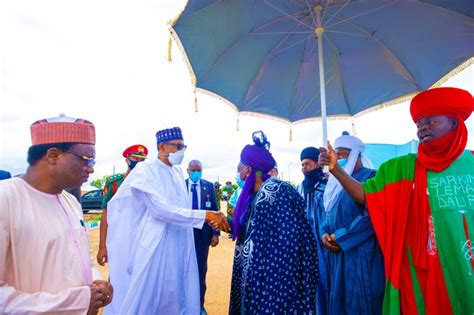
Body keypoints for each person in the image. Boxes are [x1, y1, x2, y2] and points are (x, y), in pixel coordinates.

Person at [319, 87, 474, 314]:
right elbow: (367, 196)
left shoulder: (470, 164)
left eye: (432, 121)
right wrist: (336, 171)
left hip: (464, 266)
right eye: (420, 123)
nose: (423, 127)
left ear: (454, 124)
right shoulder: (400, 168)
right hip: (419, 274)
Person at [105, 127, 230, 314]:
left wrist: (207, 219)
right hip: (155, 244)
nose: (182, 151)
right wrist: (204, 215)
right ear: (162, 147)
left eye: (184, 147)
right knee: (151, 296)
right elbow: (160, 210)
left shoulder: (177, 173)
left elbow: (183, 209)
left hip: (179, 242)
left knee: (176, 293)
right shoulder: (146, 170)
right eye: (178, 146)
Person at [0, 114, 113, 314]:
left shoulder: (70, 201)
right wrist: (77, 301)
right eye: (87, 159)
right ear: (53, 156)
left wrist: (96, 283)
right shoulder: (6, 199)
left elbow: (79, 257)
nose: (91, 168)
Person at [229, 131, 318, 314]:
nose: (239, 172)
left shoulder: (275, 191)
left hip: (275, 281)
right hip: (259, 278)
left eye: (240, 167)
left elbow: (289, 240)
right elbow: (253, 232)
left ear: (247, 170)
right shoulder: (256, 195)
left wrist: (272, 280)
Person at [319, 133, 385, 314]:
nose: (337, 159)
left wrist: (340, 237)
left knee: (360, 301)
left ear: (355, 154)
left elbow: (370, 216)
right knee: (338, 300)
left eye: (341, 155)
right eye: (335, 155)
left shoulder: (372, 178)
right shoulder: (333, 183)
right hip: (335, 252)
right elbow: (328, 212)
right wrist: (324, 233)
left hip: (361, 252)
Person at [97, 144, 148, 266]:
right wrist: (102, 246)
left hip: (143, 239)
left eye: (142, 160)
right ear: (127, 160)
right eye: (135, 159)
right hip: (119, 237)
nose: (139, 162)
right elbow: (106, 214)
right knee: (117, 276)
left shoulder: (149, 182)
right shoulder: (115, 182)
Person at [295, 146, 328, 315]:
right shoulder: (299, 189)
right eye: (302, 165)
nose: (304, 168)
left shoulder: (328, 185)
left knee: (325, 285)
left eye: (307, 164)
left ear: (317, 164)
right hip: (305, 247)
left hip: (325, 247)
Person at [186, 159, 220, 314]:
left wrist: (215, 233)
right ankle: (184, 303)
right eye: (193, 170)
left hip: (202, 235)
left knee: (200, 270)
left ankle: (199, 305)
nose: (196, 173)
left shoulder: (208, 186)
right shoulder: (181, 186)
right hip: (184, 235)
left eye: (198, 170)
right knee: (183, 269)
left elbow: (214, 210)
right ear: (188, 171)